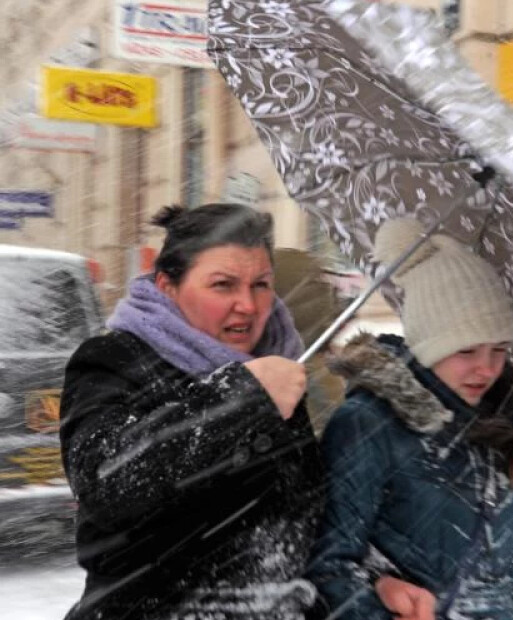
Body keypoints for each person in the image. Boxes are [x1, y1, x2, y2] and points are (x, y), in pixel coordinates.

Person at [60, 204, 419, 620]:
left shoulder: (279, 363)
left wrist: (374, 576)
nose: (248, 305)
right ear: (166, 286)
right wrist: (244, 398)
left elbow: (299, 514)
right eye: (223, 285)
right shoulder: (114, 360)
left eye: (261, 285)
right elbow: (107, 480)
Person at [306, 218, 513, 620]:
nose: (486, 370)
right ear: (429, 341)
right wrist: (378, 597)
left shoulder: (505, 426)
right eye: (467, 351)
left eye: (499, 351)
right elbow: (329, 568)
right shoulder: (367, 423)